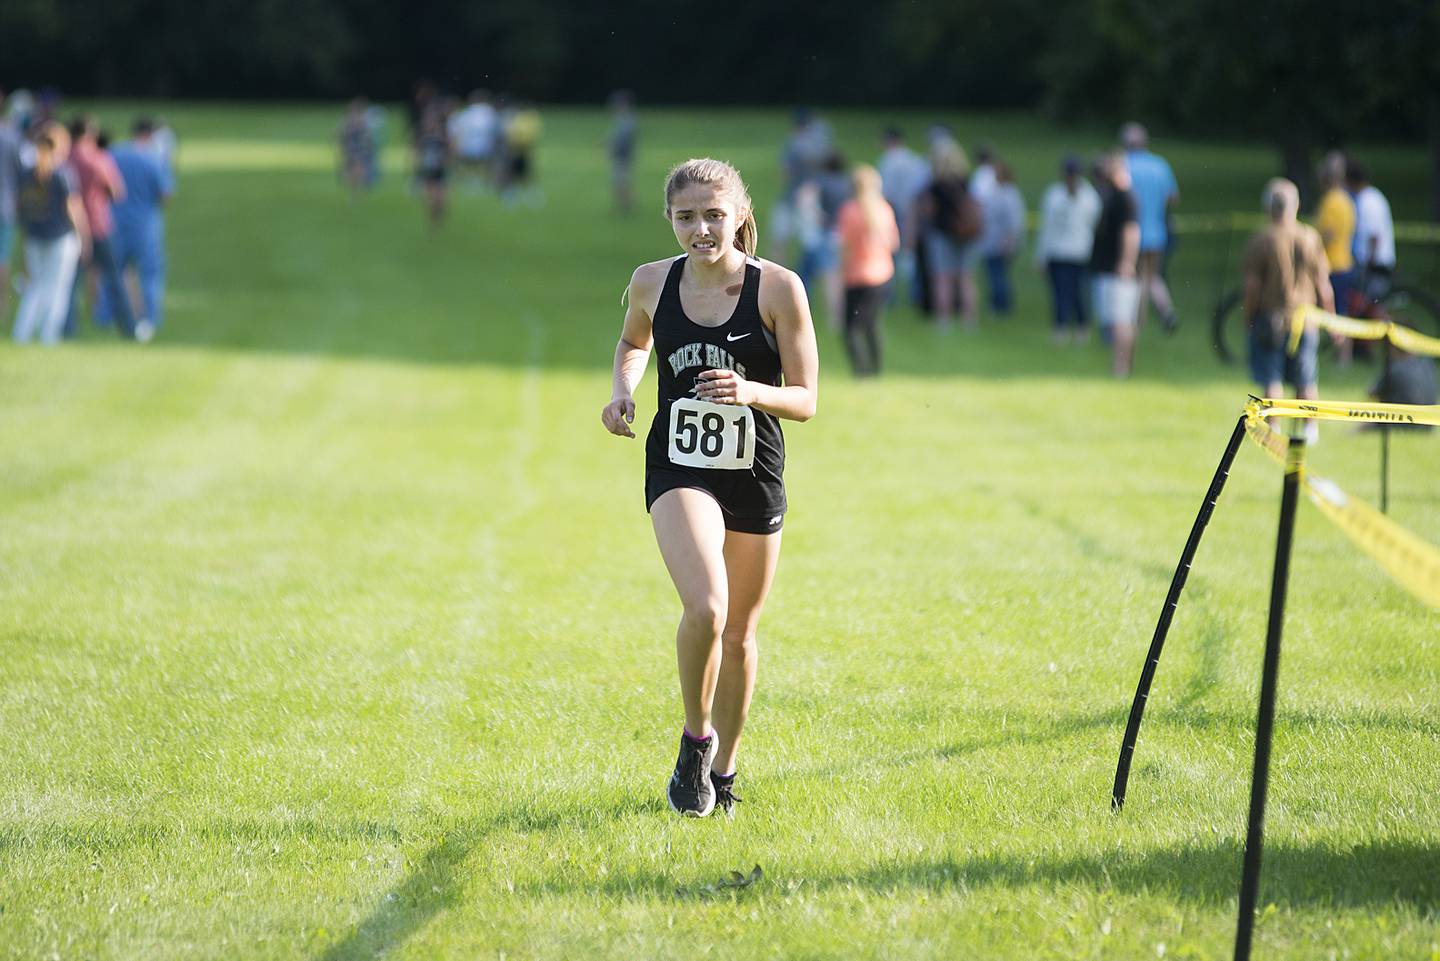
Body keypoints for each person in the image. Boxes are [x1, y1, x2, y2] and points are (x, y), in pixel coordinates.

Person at [600, 158, 818, 818]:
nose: (701, 229)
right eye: (687, 217)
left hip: (753, 471)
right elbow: (633, 341)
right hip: (678, 464)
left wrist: (750, 390)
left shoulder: (778, 289)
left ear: (741, 215)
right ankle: (696, 741)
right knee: (708, 607)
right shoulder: (649, 281)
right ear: (669, 218)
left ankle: (723, 773)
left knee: (741, 635)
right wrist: (622, 392)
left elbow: (807, 399)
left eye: (714, 215)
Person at [1242, 178, 1333, 440]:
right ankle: (1310, 430)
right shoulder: (1310, 236)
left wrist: (1248, 316)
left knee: (1272, 377)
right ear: (1295, 205)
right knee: (1306, 378)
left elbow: (1252, 287)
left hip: (1271, 317)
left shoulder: (1261, 239)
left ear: (1268, 207)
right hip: (1306, 319)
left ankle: (1274, 429)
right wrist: (1331, 320)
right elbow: (1324, 286)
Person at [13, 122, 88, 345]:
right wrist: (84, 237)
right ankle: (49, 335)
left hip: (34, 236)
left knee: (35, 286)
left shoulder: (26, 174)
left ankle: (22, 333)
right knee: (58, 288)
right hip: (61, 237)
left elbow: (22, 208)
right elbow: (73, 208)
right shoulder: (62, 173)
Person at [101, 118, 173, 342]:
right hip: (145, 225)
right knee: (150, 274)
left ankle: (105, 316)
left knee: (113, 271)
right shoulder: (153, 159)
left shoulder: (114, 154)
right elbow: (166, 194)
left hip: (114, 221)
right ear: (149, 135)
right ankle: (149, 318)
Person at [64, 115, 135, 338]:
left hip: (70, 226)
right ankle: (128, 328)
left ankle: (67, 329)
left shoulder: (63, 158)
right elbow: (117, 192)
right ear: (88, 134)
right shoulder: (97, 159)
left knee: (70, 283)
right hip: (97, 225)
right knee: (114, 278)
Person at [836, 164, 899, 376]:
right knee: (872, 324)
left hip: (858, 276)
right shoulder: (884, 209)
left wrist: (841, 272)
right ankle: (876, 369)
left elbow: (844, 246)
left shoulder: (850, 211)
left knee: (850, 329)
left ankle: (861, 371)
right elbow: (894, 243)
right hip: (882, 275)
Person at [1035, 154, 1101, 344]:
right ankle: (1060, 327)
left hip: (1080, 252)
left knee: (1079, 292)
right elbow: (1047, 227)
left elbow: (1093, 224)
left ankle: (1082, 327)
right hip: (1057, 252)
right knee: (1059, 292)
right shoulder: (1054, 195)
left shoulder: (1089, 197)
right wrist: (1042, 255)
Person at [914, 139, 980, 330]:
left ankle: (944, 318)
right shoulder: (966, 182)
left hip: (941, 234)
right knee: (965, 277)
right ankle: (969, 318)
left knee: (942, 277)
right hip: (965, 235)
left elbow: (927, 210)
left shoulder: (935, 185)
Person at [1121, 122, 1178, 331]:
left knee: (1136, 280)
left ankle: (1137, 321)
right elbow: (1172, 197)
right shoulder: (1160, 165)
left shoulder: (1124, 165)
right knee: (1153, 276)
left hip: (1132, 232)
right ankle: (1166, 310)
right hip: (1157, 232)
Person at [1089, 151, 1140, 377]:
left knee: (1121, 320)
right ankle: (1121, 364)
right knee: (1118, 320)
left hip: (1118, 269)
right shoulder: (1114, 196)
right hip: (1108, 266)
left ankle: (1121, 367)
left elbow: (1131, 232)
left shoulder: (1126, 198)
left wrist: (1126, 262)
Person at [876, 126, 929, 306]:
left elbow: (886, 192)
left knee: (891, 255)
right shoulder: (914, 160)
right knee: (913, 253)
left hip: (896, 211)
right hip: (915, 211)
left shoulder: (888, 161)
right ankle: (917, 295)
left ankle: (889, 297)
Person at [1346, 160, 1395, 301]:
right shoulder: (1373, 196)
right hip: (1374, 263)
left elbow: (1374, 236)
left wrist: (1369, 266)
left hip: (1375, 265)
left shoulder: (1368, 201)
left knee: (1372, 305)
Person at [979, 162, 1024, 317]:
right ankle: (998, 302)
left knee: (999, 274)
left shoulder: (1009, 194)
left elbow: (1013, 222)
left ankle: (1001, 305)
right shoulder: (997, 192)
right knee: (995, 273)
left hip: (1001, 241)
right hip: (991, 240)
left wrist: (1009, 241)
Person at [0, 91, 24, 320]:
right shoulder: (10, 136)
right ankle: (2, 307)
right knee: (3, 258)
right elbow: (21, 171)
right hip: (5, 205)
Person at [449, 90, 498, 193]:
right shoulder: (488, 111)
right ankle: (484, 182)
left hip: (468, 144)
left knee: (470, 166)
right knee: (484, 166)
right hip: (485, 144)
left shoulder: (468, 112)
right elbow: (493, 129)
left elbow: (459, 129)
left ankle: (470, 181)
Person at [415, 104, 450, 227]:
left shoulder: (442, 136)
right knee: (431, 198)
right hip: (427, 169)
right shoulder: (422, 137)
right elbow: (416, 152)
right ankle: (433, 219)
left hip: (440, 169)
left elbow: (449, 151)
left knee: (441, 200)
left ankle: (436, 218)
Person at [338, 98, 378, 199]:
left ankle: (357, 191)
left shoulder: (363, 122)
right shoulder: (346, 121)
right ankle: (356, 187)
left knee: (358, 170)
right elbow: (341, 135)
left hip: (360, 150)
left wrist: (366, 147)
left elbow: (367, 137)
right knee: (348, 173)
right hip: (350, 150)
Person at [607, 90, 638, 215]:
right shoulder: (622, 119)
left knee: (622, 182)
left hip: (623, 157)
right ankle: (623, 206)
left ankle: (626, 207)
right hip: (620, 156)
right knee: (619, 182)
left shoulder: (627, 120)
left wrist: (613, 149)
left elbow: (623, 140)